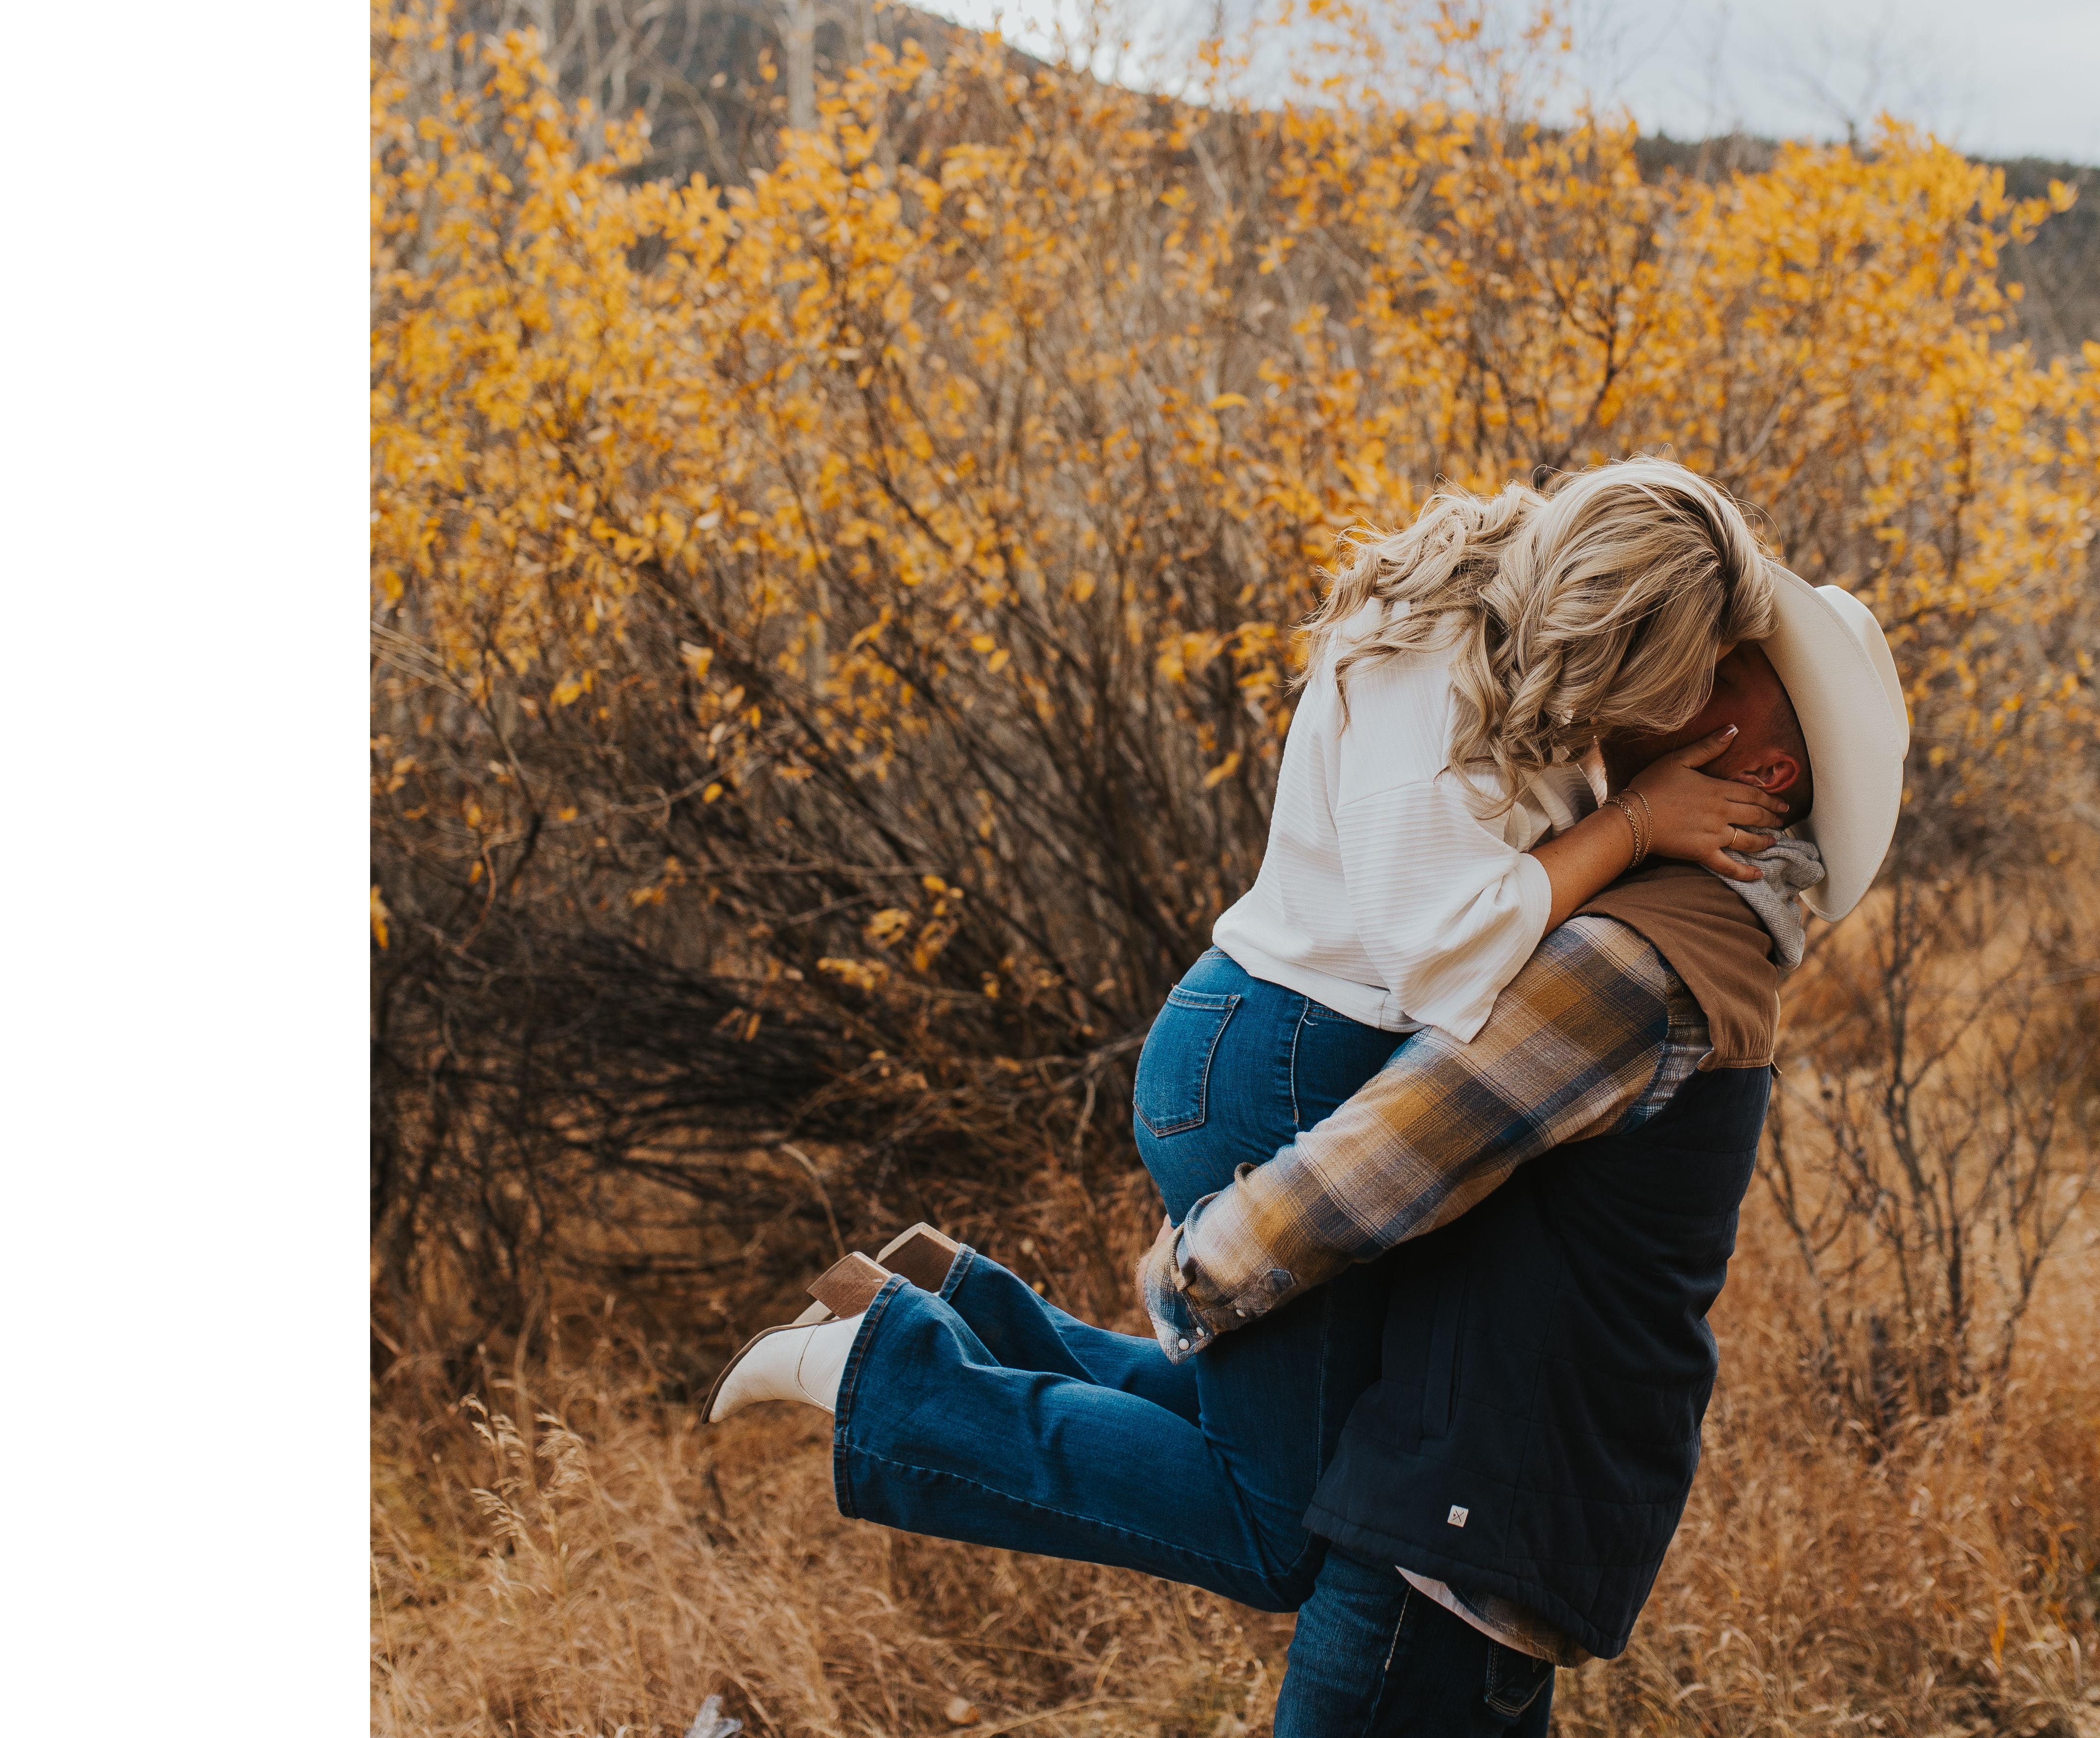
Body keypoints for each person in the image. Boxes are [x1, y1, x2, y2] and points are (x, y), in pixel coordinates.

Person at [701, 533, 1911, 1738]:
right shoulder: (1689, 923)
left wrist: (1196, 1271)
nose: (1676, 679)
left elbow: (1403, 1149)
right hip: (1507, 1500)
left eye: (1725, 677)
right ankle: (949, 1329)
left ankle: (896, 1371)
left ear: (1762, 767)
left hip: (1457, 1521)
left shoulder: (1644, 960)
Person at [707, 458, 1794, 1613]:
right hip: (1275, 1062)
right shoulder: (1436, 660)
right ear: (1610, 618)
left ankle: (948, 1305)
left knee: (1276, 1442)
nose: (1660, 716)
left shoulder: (1502, 639)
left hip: (1282, 1048)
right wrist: (1634, 825)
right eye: (1669, 682)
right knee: (1272, 1526)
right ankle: (879, 1376)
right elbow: (1445, 960)